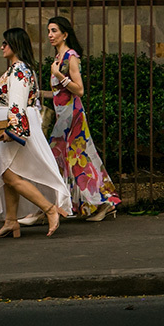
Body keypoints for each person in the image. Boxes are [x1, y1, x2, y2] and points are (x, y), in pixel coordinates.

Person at [24, 15, 120, 224]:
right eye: (49, 31)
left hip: (73, 116)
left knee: (68, 159)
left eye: (54, 31)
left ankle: (48, 208)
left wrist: (59, 75)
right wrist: (36, 93)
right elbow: (58, 93)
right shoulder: (58, 58)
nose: (50, 35)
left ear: (65, 34)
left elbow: (79, 90)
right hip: (63, 117)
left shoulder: (71, 57)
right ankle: (55, 207)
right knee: (68, 160)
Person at [0, 27, 72, 237]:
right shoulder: (16, 70)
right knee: (9, 172)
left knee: (8, 175)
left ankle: (49, 209)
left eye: (5, 43)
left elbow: (18, 102)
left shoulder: (19, 70)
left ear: (15, 45)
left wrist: (12, 130)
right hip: (11, 122)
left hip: (13, 124)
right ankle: (11, 221)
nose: (2, 47)